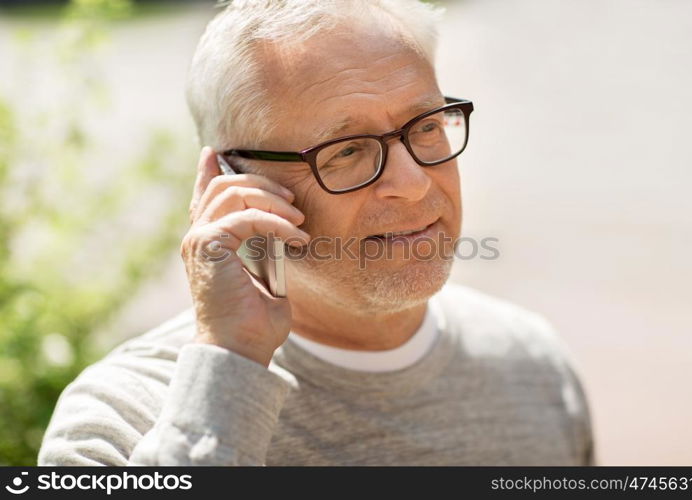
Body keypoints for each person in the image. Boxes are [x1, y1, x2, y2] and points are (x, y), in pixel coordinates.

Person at [39, 0, 594, 466]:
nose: (413, 182)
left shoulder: (532, 364)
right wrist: (231, 362)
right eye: (347, 150)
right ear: (232, 183)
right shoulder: (121, 419)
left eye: (424, 126)